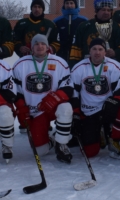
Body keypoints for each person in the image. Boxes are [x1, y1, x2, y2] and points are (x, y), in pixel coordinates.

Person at [12, 34, 74, 162]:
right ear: (31, 47)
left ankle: (61, 144)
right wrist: (21, 108)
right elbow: (15, 91)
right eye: (36, 44)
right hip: (35, 111)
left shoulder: (60, 62)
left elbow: (68, 88)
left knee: (66, 108)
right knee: (40, 150)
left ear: (47, 47)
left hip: (53, 107)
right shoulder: (20, 64)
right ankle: (52, 139)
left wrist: (55, 98)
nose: (39, 46)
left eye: (42, 44)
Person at [68, 39, 120, 160]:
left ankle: (114, 141)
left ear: (105, 52)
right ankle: (98, 132)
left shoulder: (114, 66)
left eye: (100, 49)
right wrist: (76, 113)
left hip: (108, 109)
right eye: (94, 49)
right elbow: (73, 93)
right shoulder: (79, 68)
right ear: (89, 51)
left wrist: (114, 101)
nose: (97, 52)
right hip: (89, 112)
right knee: (90, 152)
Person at [69, 0, 120, 67]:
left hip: (110, 68)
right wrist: (74, 68)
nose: (106, 12)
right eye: (103, 10)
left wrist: (116, 53)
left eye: (109, 10)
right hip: (87, 68)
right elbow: (75, 52)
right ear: (96, 10)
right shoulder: (84, 27)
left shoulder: (117, 27)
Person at [53, 0, 88, 67]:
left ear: (75, 5)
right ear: (64, 5)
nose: (69, 5)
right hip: (62, 53)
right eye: (67, 3)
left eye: (71, 3)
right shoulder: (57, 21)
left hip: (78, 53)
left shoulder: (84, 20)